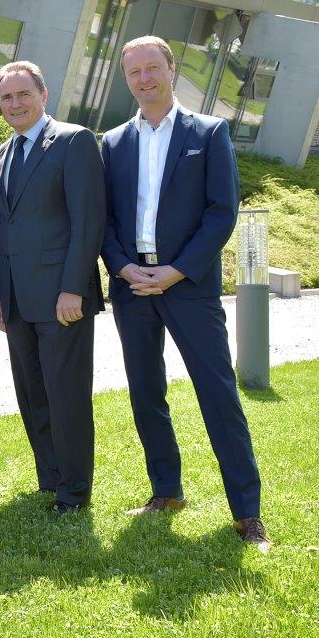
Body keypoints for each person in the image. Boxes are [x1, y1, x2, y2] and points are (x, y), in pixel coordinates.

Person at [101, 35, 270, 550]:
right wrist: (125, 268)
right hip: (133, 287)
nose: (145, 78)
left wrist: (177, 271)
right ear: (126, 79)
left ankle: (247, 513)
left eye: (153, 68)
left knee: (217, 394)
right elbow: (102, 218)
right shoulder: (112, 143)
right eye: (134, 72)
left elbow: (222, 212)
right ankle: (166, 492)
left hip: (188, 286)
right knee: (146, 392)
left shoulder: (209, 131)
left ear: (173, 70)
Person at [0, 61, 105, 514]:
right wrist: (1, 296)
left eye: (23, 94)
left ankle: (75, 491)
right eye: (6, 97)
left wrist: (74, 287)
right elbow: (5, 232)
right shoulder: (0, 155)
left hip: (62, 296)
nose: (15, 104)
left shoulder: (73, 141)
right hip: (17, 299)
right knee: (32, 393)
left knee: (66, 393)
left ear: (44, 94)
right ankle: (50, 478)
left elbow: (87, 220)